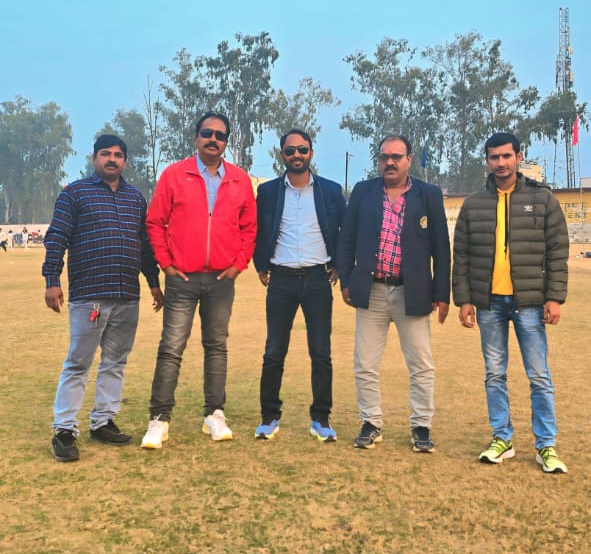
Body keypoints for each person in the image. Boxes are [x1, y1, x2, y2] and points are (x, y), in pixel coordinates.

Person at [452, 131, 569, 474]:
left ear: (519, 157)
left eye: (506, 156)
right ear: (486, 160)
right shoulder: (474, 204)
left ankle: (546, 445)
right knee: (494, 375)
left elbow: (557, 250)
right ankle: (501, 438)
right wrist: (464, 300)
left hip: (530, 303)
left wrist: (554, 297)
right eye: (494, 157)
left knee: (539, 376)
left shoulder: (543, 199)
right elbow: (461, 256)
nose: (500, 163)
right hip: (489, 304)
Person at [43, 134, 163, 463]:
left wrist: (153, 281)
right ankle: (65, 430)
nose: (113, 159)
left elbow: (143, 245)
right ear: (94, 157)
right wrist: (51, 280)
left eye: (119, 155)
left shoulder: (135, 198)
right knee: (79, 363)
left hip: (127, 295)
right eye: (106, 154)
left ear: (125, 161)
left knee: (115, 362)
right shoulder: (75, 193)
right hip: (91, 297)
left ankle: (103, 422)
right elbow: (57, 237)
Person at [142, 111, 257, 447]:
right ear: (196, 137)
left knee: (217, 346)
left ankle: (214, 414)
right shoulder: (175, 175)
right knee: (171, 347)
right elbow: (155, 222)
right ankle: (159, 419)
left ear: (227, 142)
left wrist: (238, 266)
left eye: (220, 135)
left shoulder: (238, 179)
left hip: (222, 279)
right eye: (207, 133)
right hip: (182, 278)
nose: (213, 139)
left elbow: (249, 228)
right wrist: (165, 264)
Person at [337, 133, 450, 451]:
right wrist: (347, 280)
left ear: (408, 160)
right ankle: (371, 422)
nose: (389, 162)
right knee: (365, 363)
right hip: (371, 291)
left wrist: (442, 293)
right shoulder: (363, 192)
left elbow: (441, 247)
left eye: (396, 157)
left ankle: (421, 426)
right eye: (384, 156)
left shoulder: (427, 195)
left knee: (421, 364)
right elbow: (346, 241)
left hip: (412, 292)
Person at [253, 128, 347, 441]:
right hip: (280, 280)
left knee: (321, 352)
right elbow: (256, 230)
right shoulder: (267, 192)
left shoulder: (330, 191)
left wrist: (338, 263)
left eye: (302, 150)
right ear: (282, 155)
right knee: (273, 352)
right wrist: (261, 264)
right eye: (291, 150)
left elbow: (345, 231)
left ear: (311, 153)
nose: (297, 155)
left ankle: (321, 419)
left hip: (318, 280)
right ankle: (269, 416)